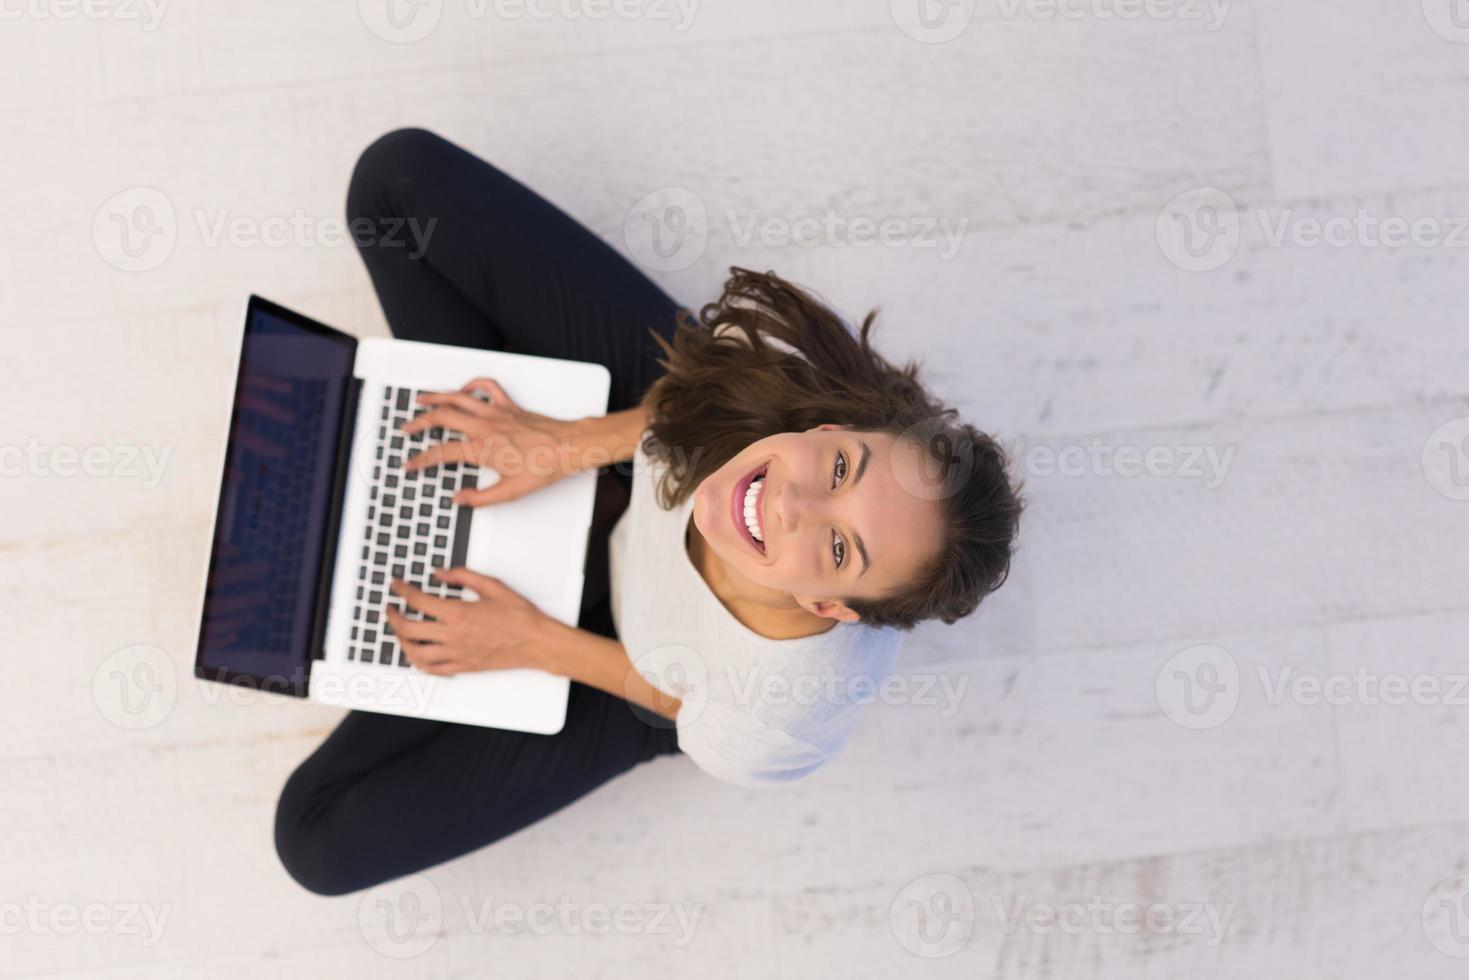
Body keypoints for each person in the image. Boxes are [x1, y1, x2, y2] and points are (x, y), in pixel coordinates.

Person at [273, 128, 1024, 896]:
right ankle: (538, 472)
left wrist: (531, 640)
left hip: (637, 668)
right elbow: (693, 398)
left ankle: (509, 504)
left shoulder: (777, 721)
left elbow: (680, 702)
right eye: (837, 467)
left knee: (316, 840)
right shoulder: (793, 397)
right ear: (834, 428)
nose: (791, 501)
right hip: (655, 435)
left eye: (837, 548)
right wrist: (563, 445)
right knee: (396, 184)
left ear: (828, 605)